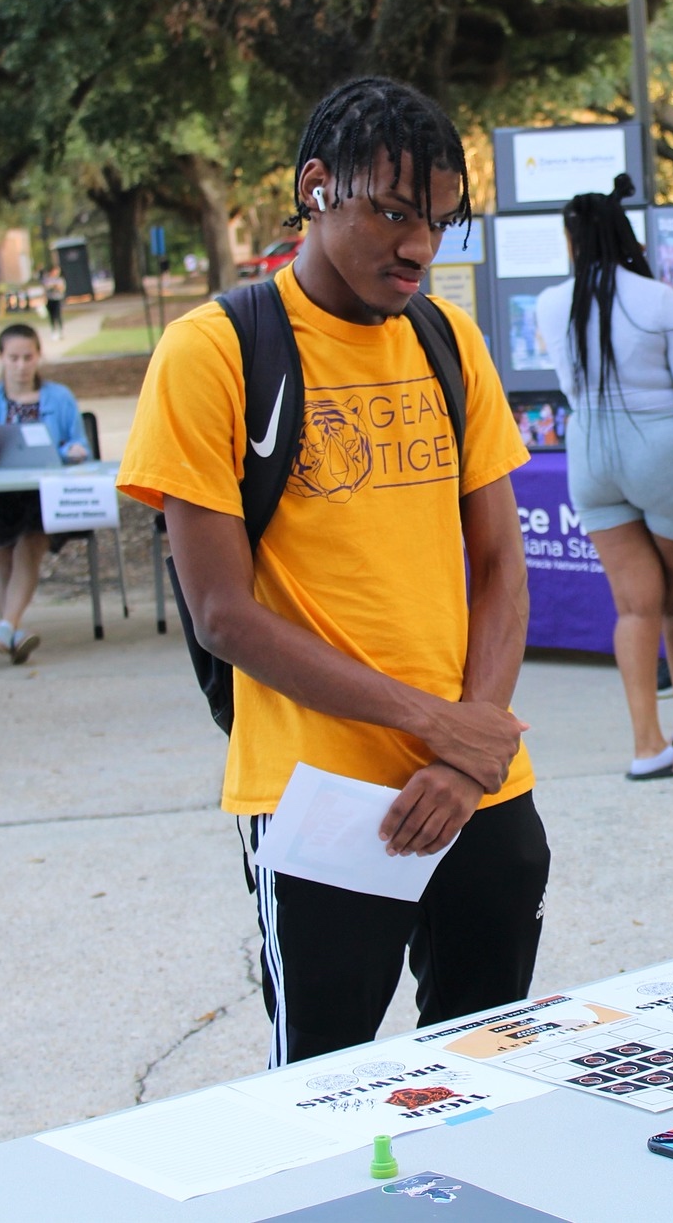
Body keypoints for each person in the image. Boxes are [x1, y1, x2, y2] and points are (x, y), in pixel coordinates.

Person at [118, 77, 544, 1067]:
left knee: (486, 1067)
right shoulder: (214, 351)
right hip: (322, 799)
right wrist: (439, 725)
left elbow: (500, 568)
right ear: (316, 188)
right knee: (323, 1086)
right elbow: (222, 613)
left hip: (480, 787)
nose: (418, 247)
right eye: (392, 213)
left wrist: (465, 753)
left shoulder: (449, 339)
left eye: (438, 222)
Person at [534, 175, 673, 780]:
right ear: (624, 234)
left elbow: (571, 389)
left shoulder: (550, 303)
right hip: (666, 453)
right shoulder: (660, 300)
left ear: (573, 240)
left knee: (634, 609)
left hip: (591, 453)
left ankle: (647, 747)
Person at [0, 324, 91, 663]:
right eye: (13, 358)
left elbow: (80, 445)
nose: (21, 366)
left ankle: (5, 626)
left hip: (44, 495)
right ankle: (13, 633)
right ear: (0, 358)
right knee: (0, 551)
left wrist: (72, 451)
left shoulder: (59, 398)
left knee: (30, 541)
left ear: (38, 357)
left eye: (27, 357)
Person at [42, 268, 66, 340]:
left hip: (57, 299)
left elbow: (62, 289)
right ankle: (54, 331)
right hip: (50, 299)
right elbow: (45, 288)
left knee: (58, 315)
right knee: (52, 316)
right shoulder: (47, 279)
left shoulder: (59, 280)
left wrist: (56, 287)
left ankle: (61, 331)